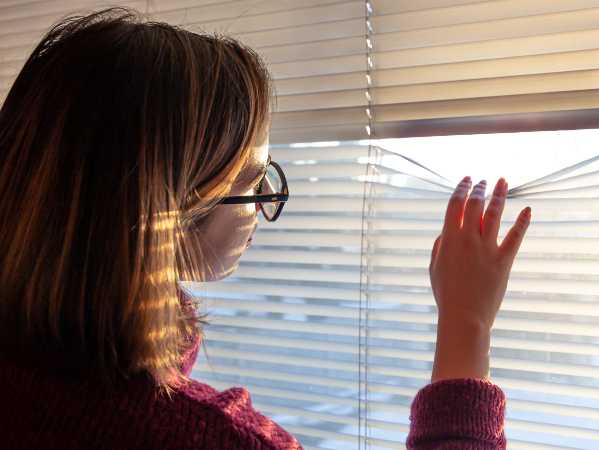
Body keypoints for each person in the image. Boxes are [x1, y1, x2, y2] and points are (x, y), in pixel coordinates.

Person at [0, 8, 531, 450]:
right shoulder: (210, 439)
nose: (267, 203)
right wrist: (467, 325)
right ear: (170, 209)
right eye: (253, 183)